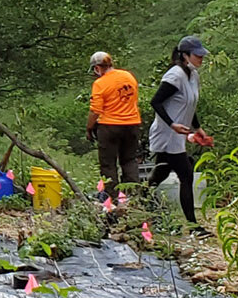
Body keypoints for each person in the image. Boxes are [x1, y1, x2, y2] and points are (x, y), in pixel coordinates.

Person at [147, 36, 212, 224]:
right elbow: (156, 102)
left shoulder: (193, 76)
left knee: (162, 173)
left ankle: (138, 200)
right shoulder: (175, 76)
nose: (201, 58)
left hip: (178, 134)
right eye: (197, 55)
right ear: (185, 56)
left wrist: (198, 128)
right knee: (186, 174)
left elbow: (189, 105)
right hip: (168, 134)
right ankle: (193, 224)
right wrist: (172, 124)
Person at [86, 51, 143, 196]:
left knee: (108, 165)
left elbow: (95, 111)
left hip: (109, 127)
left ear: (97, 68)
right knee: (129, 161)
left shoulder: (100, 83)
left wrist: (89, 128)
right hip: (132, 125)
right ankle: (133, 196)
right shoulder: (128, 76)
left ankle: (112, 199)